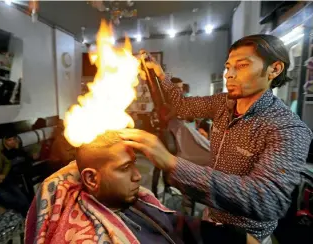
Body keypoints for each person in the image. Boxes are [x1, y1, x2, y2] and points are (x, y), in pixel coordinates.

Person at [119, 35, 313, 243]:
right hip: (211, 218)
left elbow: (267, 200)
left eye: (242, 65)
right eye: (228, 67)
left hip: (247, 235)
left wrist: (171, 162)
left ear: (274, 69)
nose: (229, 74)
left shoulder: (288, 129)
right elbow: (181, 106)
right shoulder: (224, 103)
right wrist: (158, 74)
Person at [25, 131, 259, 244]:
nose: (138, 177)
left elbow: (178, 225)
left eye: (134, 165)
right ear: (91, 179)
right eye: (125, 168)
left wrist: (235, 237)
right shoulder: (87, 238)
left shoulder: (138, 205)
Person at [0, 132, 35, 199]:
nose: (12, 142)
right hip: (13, 178)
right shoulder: (2, 154)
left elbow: (28, 160)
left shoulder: (20, 150)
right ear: (5, 142)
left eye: (14, 139)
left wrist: (17, 150)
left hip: (24, 176)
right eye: (9, 140)